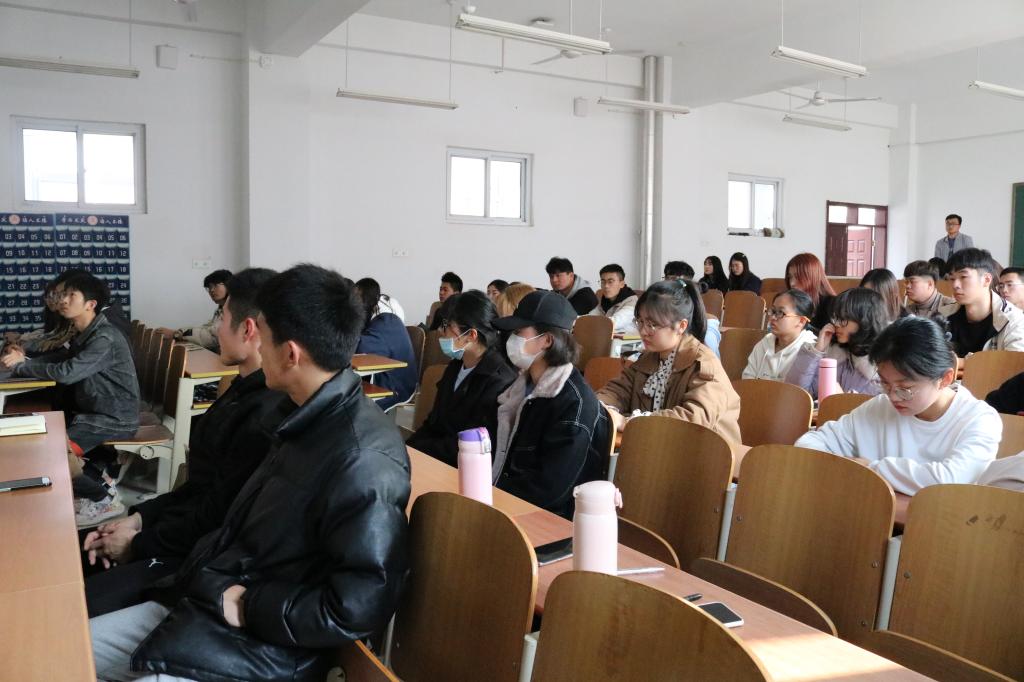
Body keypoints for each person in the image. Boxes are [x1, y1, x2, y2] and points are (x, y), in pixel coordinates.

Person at [89, 264, 411, 682]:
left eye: (264, 335)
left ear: (290, 353)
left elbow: (356, 606)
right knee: (55, 645)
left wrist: (252, 604)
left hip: (264, 646)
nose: (256, 343)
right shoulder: (296, 415)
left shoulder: (363, 458)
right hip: (211, 606)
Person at [81, 268, 286, 618]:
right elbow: (198, 489)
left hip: (198, 557)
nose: (217, 330)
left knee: (71, 604)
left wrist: (138, 543)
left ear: (248, 329)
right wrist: (138, 519)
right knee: (68, 556)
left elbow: (217, 516)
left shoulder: (265, 416)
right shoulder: (240, 390)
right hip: (178, 533)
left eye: (223, 319)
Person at [796, 316, 1000, 495]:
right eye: (884, 383)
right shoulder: (879, 407)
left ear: (945, 379)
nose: (893, 396)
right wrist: (850, 470)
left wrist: (872, 469)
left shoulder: (979, 420)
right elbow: (810, 444)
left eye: (905, 388)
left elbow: (949, 480)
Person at [1, 272, 139, 527]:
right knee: (48, 442)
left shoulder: (104, 337)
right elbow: (62, 359)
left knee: (52, 452)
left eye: (71, 295)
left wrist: (22, 366)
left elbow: (67, 372)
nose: (63, 300)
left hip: (113, 418)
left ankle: (104, 499)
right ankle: (100, 482)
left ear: (90, 304)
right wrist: (24, 362)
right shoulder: (86, 332)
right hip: (95, 414)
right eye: (62, 294)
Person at [490, 290, 608, 518]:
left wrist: (491, 498)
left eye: (518, 332)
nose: (510, 339)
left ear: (547, 340)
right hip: (507, 505)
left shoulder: (574, 404)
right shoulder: (518, 390)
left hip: (547, 520)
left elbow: (549, 490)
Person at [596, 280, 742, 451]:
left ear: (681, 326)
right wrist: (604, 408)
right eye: (640, 322)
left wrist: (626, 422)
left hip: (705, 455)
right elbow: (616, 390)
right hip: (661, 449)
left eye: (652, 325)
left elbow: (693, 419)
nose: (643, 331)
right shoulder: (649, 357)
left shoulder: (704, 365)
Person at [408, 291, 517, 466]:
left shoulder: (500, 381)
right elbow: (433, 423)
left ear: (471, 335)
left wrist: (420, 450)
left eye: (446, 326)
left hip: (461, 466)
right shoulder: (455, 367)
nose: (440, 332)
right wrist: (408, 449)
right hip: (435, 457)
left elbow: (469, 445)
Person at [785, 287, 890, 398]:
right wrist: (817, 350)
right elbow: (797, 394)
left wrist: (841, 400)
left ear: (865, 321)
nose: (836, 324)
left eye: (843, 319)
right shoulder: (836, 355)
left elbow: (878, 407)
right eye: (836, 318)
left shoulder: (883, 367)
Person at [940, 248, 1024, 356]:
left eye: (963, 277)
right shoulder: (943, 315)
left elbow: (1014, 364)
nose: (955, 285)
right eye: (952, 278)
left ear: (986, 280)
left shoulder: (1013, 321)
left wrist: (961, 362)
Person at [356, 277, 418, 410]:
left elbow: (361, 349)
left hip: (396, 386)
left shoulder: (386, 322)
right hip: (386, 378)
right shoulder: (381, 317)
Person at [742, 289, 818, 381]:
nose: (773, 317)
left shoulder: (810, 351)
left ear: (801, 321)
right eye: (773, 311)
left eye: (781, 313)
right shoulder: (764, 343)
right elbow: (747, 379)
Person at [156, 269, 232, 352]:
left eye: (215, 285)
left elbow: (212, 337)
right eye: (209, 287)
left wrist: (176, 334)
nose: (211, 290)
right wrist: (179, 332)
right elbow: (207, 329)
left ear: (229, 285)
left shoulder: (234, 309)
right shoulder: (220, 309)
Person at [785, 253, 835, 330]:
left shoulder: (832, 305)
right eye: (790, 277)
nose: (792, 283)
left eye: (798, 277)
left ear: (812, 276)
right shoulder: (787, 302)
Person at [589, 263, 638, 334]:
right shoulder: (602, 297)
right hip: (605, 337)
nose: (606, 286)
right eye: (603, 282)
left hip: (628, 339)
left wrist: (586, 324)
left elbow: (614, 323)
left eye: (610, 282)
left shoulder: (632, 300)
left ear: (621, 284)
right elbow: (590, 317)